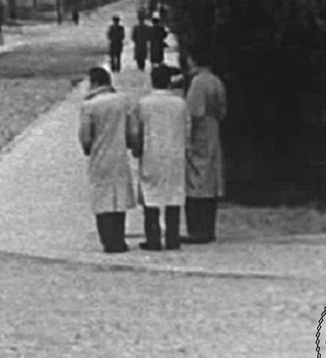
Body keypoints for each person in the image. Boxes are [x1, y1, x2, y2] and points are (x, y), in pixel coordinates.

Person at [78, 67, 137, 253]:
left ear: (94, 82)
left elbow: (86, 137)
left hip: (99, 156)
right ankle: (120, 239)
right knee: (119, 197)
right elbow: (131, 131)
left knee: (102, 197)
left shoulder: (89, 105)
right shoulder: (123, 101)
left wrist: (87, 149)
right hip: (119, 155)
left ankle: (107, 240)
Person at [130, 66, 188, 250]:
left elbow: (135, 132)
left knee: (150, 196)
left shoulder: (144, 103)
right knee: (174, 194)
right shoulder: (180, 103)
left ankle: (153, 238)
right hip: (175, 153)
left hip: (152, 153)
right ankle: (173, 237)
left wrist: (137, 150)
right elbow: (188, 130)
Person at [184, 46, 227, 243]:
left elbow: (192, 112)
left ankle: (197, 229)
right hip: (213, 130)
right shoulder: (216, 81)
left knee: (195, 181)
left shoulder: (198, 83)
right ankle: (209, 227)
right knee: (211, 180)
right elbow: (222, 110)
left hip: (199, 133)